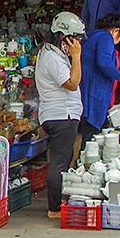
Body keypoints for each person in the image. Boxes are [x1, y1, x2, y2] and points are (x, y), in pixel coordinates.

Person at [35, 11, 86, 219]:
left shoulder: (52, 54)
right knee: (60, 163)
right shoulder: (53, 58)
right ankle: (54, 208)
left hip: (59, 114)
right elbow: (72, 84)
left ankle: (57, 204)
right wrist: (76, 57)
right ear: (64, 37)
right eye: (75, 39)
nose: (78, 44)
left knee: (60, 161)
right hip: (61, 116)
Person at [79, 13, 120, 141]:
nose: (118, 42)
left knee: (89, 138)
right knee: (92, 140)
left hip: (87, 93)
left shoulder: (92, 36)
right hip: (94, 95)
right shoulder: (105, 37)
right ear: (116, 31)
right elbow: (104, 63)